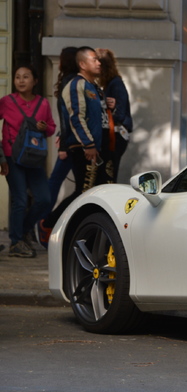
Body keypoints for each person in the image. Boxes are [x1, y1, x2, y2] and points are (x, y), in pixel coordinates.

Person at [38, 46, 107, 248]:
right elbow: (75, 117)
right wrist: (88, 144)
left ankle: (74, 230)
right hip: (82, 148)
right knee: (82, 192)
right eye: (94, 59)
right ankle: (48, 223)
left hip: (92, 148)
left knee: (88, 192)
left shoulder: (92, 86)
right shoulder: (76, 84)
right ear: (82, 64)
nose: (99, 62)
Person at [0, 65, 56, 257]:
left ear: (35, 81)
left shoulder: (43, 103)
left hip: (34, 157)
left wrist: (44, 127)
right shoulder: (6, 102)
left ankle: (23, 230)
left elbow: (51, 128)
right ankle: (16, 242)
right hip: (12, 156)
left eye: (25, 77)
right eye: (17, 77)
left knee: (44, 199)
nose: (21, 81)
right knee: (20, 200)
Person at [47, 46, 79, 212]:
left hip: (71, 142)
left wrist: (64, 142)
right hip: (73, 143)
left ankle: (44, 219)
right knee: (57, 181)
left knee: (55, 181)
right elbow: (69, 116)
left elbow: (68, 116)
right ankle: (44, 220)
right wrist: (64, 142)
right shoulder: (73, 82)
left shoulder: (69, 81)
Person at [96, 48, 133, 183]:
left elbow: (119, 113)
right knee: (107, 173)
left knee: (108, 174)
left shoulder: (115, 84)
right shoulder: (112, 83)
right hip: (114, 136)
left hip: (114, 136)